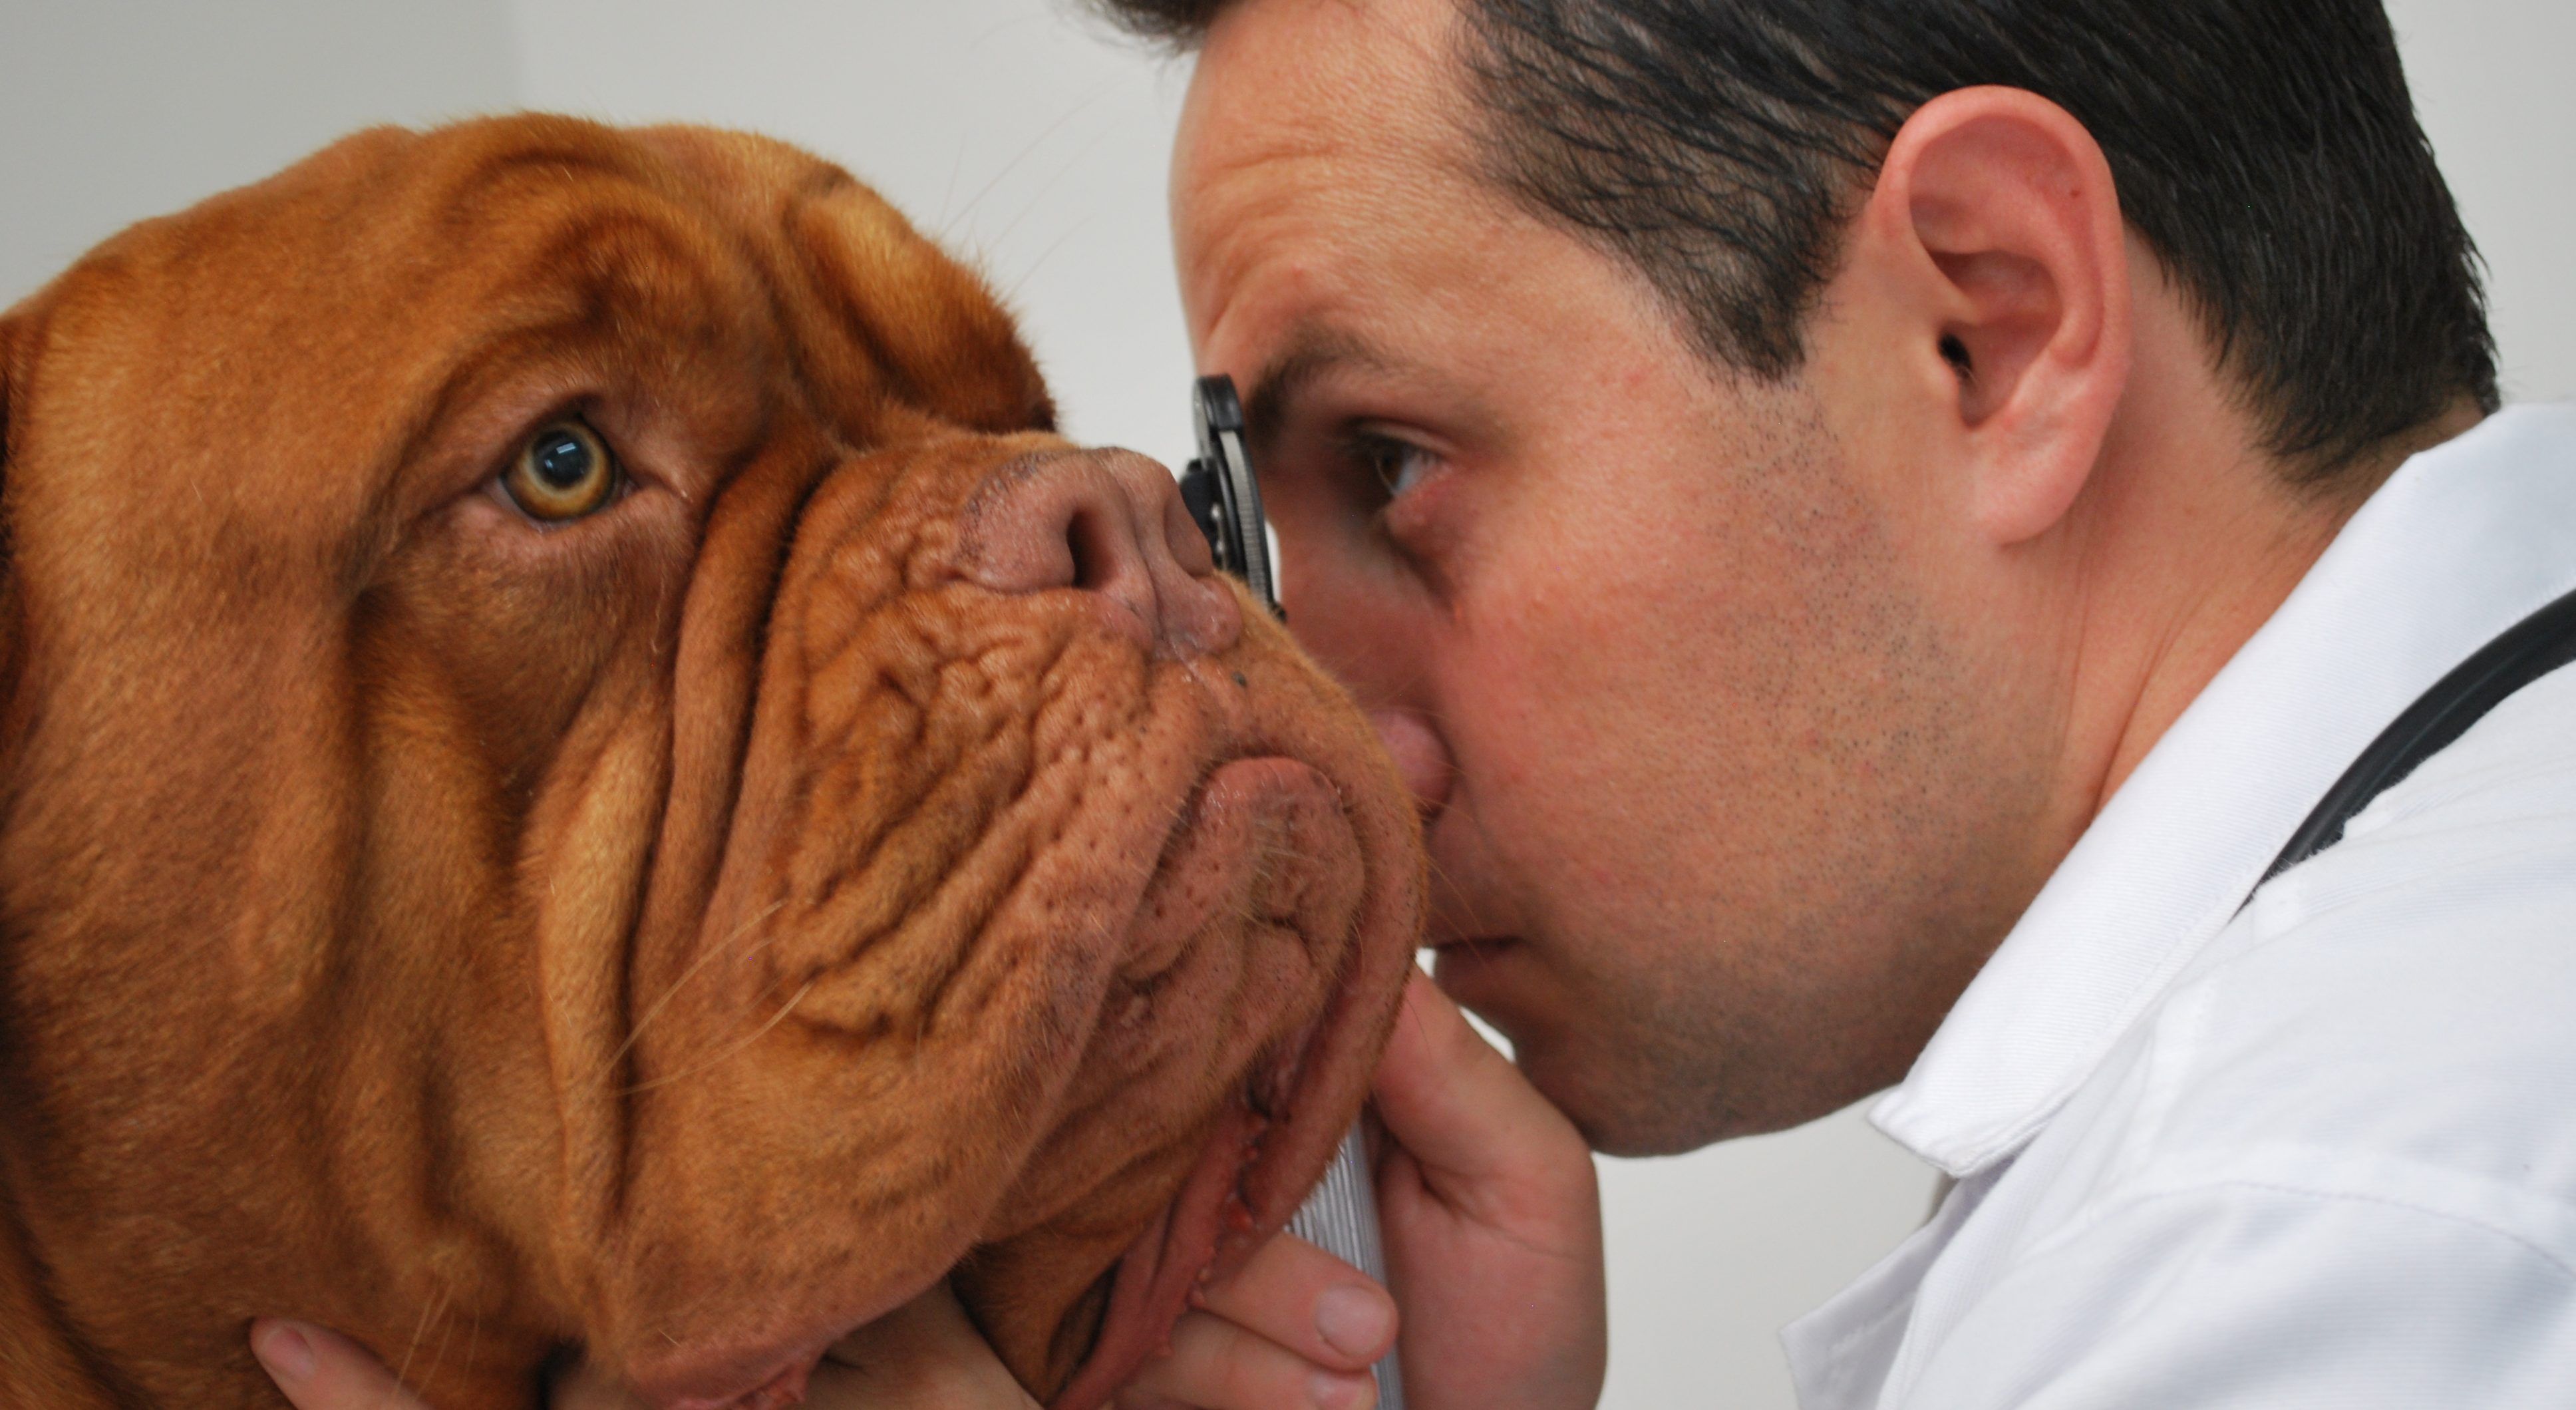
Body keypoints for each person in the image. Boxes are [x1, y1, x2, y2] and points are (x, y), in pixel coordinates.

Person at [262, 0, 2576, 1405]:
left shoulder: (2336, 1245)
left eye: (1394, 466)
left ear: (1988, 326)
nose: (1326, 728)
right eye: (1247, 535)